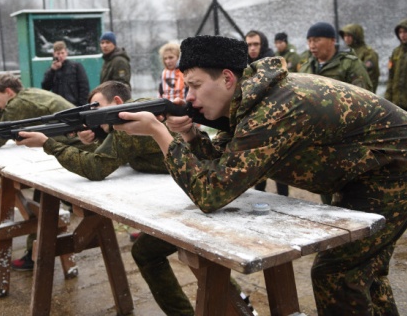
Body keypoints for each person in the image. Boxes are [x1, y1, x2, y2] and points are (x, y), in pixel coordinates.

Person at [113, 34, 407, 316]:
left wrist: (158, 132)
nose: (190, 97)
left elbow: (211, 194)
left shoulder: (272, 108)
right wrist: (191, 136)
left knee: (338, 272)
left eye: (195, 85)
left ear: (226, 78)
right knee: (363, 271)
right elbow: (223, 166)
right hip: (372, 167)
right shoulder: (251, 101)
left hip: (398, 165)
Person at [15, 80, 254, 314]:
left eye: (97, 108)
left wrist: (48, 143)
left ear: (117, 102)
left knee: (154, 253)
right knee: (159, 252)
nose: (94, 115)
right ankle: (238, 301)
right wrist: (95, 138)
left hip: (200, 193)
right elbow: (110, 155)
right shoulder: (138, 111)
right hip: (188, 190)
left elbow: (96, 168)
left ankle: (225, 306)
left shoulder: (131, 120)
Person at [0, 73, 93, 234]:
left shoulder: (18, 104)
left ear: (9, 92)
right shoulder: (28, 93)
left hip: (78, 147)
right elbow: (15, 122)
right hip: (73, 144)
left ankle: (0, 222)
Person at [246, 30, 287, 196]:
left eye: (256, 44)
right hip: (253, 120)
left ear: (262, 44)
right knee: (257, 162)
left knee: (279, 164)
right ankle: (260, 195)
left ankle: (284, 198)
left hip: (274, 118)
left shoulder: (272, 62)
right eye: (249, 45)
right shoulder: (245, 64)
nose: (252, 48)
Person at [299, 22, 373, 92]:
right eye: (309, 41)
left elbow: (364, 97)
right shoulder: (306, 67)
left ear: (332, 41)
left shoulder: (350, 65)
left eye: (317, 40)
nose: (312, 46)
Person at [41, 41, 90, 106]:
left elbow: (84, 87)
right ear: (54, 54)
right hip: (58, 106)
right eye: (58, 53)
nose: (60, 56)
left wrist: (81, 105)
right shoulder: (51, 70)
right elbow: (45, 87)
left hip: (74, 105)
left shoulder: (76, 67)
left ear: (66, 53)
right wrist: (52, 70)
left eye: (62, 53)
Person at [339, 24, 380, 93]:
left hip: (363, 94)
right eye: (345, 36)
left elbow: (370, 76)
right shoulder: (348, 52)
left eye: (349, 36)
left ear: (356, 36)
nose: (346, 38)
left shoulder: (368, 53)